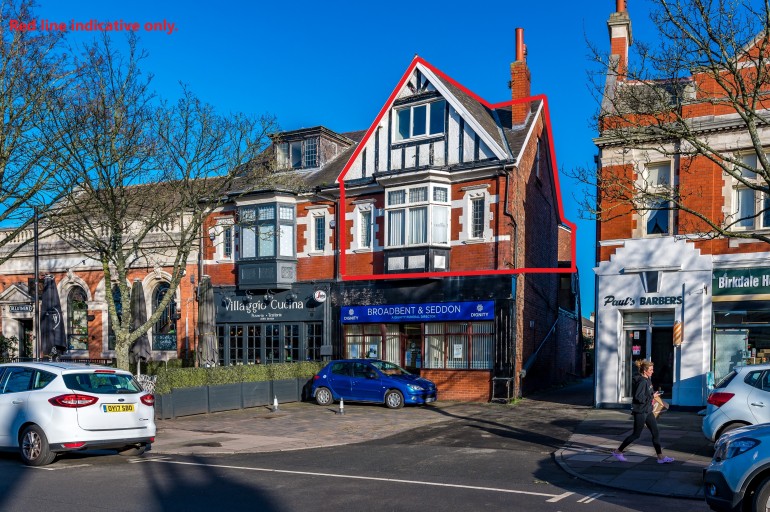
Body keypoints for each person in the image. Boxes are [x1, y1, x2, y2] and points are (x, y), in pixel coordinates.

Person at [612, 359, 675, 464]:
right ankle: (618, 451)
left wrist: (652, 395)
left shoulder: (648, 379)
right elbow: (638, 398)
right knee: (636, 435)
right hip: (640, 412)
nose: (652, 371)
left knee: (656, 432)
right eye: (651, 369)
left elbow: (646, 394)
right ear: (645, 371)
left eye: (652, 369)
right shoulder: (641, 381)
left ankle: (660, 457)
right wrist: (652, 396)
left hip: (648, 411)